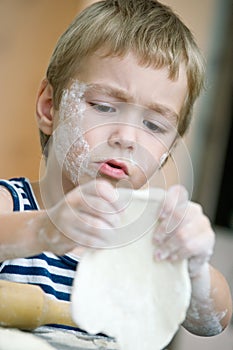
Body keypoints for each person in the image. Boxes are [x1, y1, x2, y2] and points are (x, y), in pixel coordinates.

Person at [0, 0, 232, 340]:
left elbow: (213, 322)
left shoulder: (150, 242)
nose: (126, 138)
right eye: (104, 106)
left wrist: (193, 267)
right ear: (50, 107)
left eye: (154, 125)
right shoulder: (12, 205)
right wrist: (42, 230)